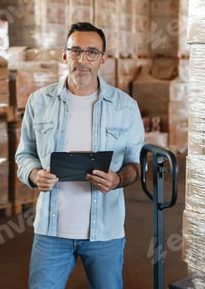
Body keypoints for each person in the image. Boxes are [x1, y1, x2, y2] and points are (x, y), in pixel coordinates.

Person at [15, 22, 145, 289]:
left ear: (103, 59)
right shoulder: (39, 102)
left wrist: (118, 179)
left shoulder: (125, 107)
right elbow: (24, 155)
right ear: (64, 55)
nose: (82, 60)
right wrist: (34, 174)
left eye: (91, 52)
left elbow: (136, 164)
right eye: (75, 51)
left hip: (105, 233)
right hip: (51, 233)